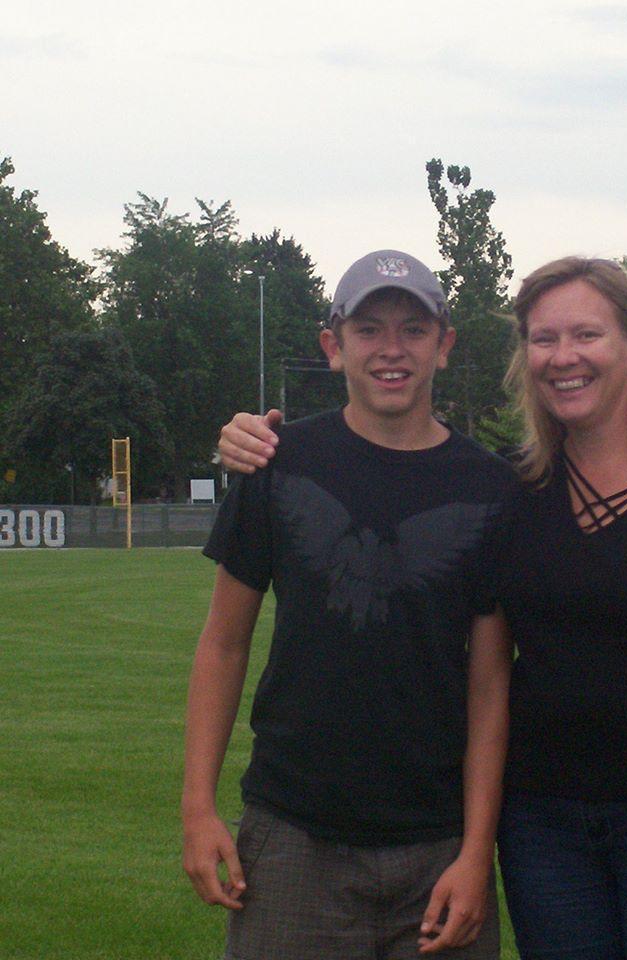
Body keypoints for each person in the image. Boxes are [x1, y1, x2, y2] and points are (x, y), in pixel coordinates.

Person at [218, 257, 627, 960]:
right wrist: (245, 437)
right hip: (543, 824)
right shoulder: (521, 487)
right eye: (543, 339)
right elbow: (491, 669)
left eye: (586, 335)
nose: (564, 357)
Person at [182, 249, 516, 960]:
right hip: (294, 832)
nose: (391, 350)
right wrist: (198, 806)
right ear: (333, 347)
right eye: (369, 330)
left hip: (436, 840)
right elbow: (222, 644)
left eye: (413, 330)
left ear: (445, 345)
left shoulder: (489, 487)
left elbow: (491, 683)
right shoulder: (277, 462)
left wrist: (475, 852)